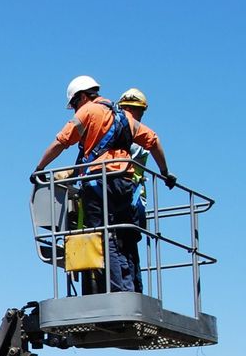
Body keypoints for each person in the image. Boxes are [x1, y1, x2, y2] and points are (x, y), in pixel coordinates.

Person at [31, 76, 175, 294]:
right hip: (124, 184)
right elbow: (153, 141)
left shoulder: (87, 111)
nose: (75, 110)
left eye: (75, 104)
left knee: (101, 236)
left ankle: (118, 293)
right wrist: (165, 173)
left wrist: (39, 168)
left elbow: (61, 142)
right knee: (124, 236)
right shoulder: (124, 117)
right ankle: (133, 290)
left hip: (99, 183)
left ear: (82, 96)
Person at [117, 87, 152, 292]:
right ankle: (132, 289)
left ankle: (130, 290)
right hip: (129, 199)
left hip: (130, 199)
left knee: (124, 246)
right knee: (125, 247)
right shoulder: (133, 134)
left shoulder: (135, 139)